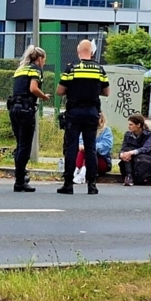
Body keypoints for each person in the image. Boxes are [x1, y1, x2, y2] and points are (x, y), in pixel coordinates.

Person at [56, 39, 110, 195]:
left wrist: (74, 90)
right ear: (91, 52)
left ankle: (68, 184)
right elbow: (106, 92)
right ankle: (92, 185)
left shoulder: (71, 68)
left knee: (71, 148)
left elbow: (60, 91)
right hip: (92, 113)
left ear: (78, 52)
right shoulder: (99, 69)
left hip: (74, 113)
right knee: (91, 148)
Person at [8, 46, 52, 192]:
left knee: (20, 144)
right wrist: (44, 96)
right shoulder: (35, 69)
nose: (44, 63)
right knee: (25, 146)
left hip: (14, 108)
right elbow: (33, 88)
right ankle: (20, 180)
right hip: (26, 109)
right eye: (44, 60)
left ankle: (21, 176)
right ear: (39, 59)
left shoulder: (20, 69)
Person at [118, 114, 151, 186]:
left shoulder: (149, 135)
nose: (128, 127)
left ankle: (139, 178)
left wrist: (131, 152)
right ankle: (129, 176)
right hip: (130, 161)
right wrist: (122, 154)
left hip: (144, 160)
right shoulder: (128, 135)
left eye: (131, 124)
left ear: (138, 125)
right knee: (126, 150)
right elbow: (123, 148)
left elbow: (146, 148)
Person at [73, 111, 113, 184]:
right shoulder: (86, 130)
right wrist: (81, 146)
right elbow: (80, 141)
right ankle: (77, 171)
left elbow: (106, 146)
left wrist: (89, 147)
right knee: (83, 151)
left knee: (90, 152)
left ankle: (82, 174)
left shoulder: (106, 130)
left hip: (101, 159)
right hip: (85, 157)